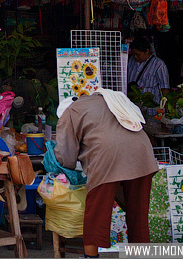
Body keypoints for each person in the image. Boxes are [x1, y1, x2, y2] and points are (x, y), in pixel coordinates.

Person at [54, 91, 158, 258]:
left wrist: (59, 161)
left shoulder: (71, 112)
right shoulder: (106, 100)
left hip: (108, 157)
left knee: (96, 213)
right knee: (138, 214)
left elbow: (66, 154)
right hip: (143, 155)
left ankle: (91, 256)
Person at [126, 37, 170, 102]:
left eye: (138, 54)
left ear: (147, 51)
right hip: (133, 104)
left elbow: (165, 88)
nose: (135, 57)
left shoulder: (159, 65)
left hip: (151, 106)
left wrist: (164, 105)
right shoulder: (131, 61)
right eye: (133, 54)